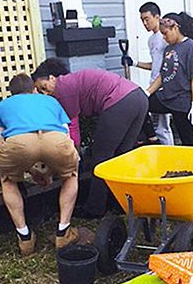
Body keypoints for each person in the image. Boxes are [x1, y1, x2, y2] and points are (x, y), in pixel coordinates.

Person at [32, 59, 148, 219]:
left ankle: (95, 208)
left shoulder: (63, 87)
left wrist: (75, 153)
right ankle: (121, 203)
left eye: (44, 87)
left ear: (53, 78)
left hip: (120, 101)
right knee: (122, 155)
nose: (46, 93)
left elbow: (73, 125)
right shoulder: (72, 81)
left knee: (101, 158)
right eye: (41, 91)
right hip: (139, 97)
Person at [0, 73, 80, 255]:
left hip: (19, 142)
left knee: (7, 180)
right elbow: (64, 133)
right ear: (34, 89)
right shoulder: (50, 101)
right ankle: (63, 232)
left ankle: (25, 238)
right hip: (55, 139)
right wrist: (50, 171)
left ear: (12, 93)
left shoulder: (2, 106)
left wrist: (30, 170)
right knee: (71, 175)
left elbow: (1, 140)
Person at [145, 12, 193, 145]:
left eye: (165, 34)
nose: (164, 38)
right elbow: (163, 74)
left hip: (183, 101)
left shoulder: (192, 47)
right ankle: (152, 138)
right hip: (167, 96)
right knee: (140, 104)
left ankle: (191, 164)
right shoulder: (168, 49)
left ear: (175, 28)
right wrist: (147, 92)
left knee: (187, 140)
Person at [130, 2, 174, 145]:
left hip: (163, 87)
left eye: (147, 19)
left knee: (163, 127)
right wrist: (135, 63)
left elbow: (168, 66)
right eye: (142, 20)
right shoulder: (151, 40)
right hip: (153, 85)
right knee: (157, 126)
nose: (145, 23)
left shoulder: (165, 37)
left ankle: (171, 157)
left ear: (157, 17)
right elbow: (154, 65)